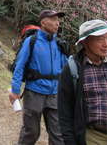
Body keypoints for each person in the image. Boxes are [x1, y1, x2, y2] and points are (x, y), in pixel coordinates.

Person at [9, 10, 67, 145]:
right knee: (31, 132)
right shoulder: (32, 41)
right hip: (34, 93)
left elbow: (66, 69)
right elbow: (20, 66)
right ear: (43, 22)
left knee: (58, 135)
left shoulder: (59, 44)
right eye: (53, 19)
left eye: (58, 20)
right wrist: (15, 90)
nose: (57, 23)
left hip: (54, 94)